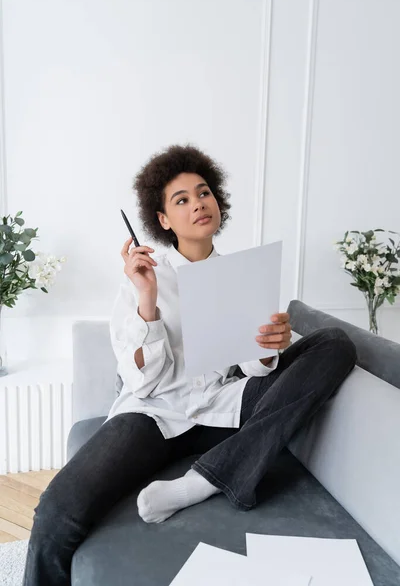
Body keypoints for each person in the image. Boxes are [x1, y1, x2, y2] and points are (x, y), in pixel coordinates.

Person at [22, 144, 357, 585]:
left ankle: (205, 479)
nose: (198, 203)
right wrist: (147, 300)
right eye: (181, 199)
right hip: (153, 414)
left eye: (204, 193)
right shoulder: (143, 276)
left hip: (223, 407)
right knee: (57, 510)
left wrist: (263, 351)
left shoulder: (242, 275)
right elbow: (143, 379)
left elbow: (255, 372)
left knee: (333, 342)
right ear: (162, 220)